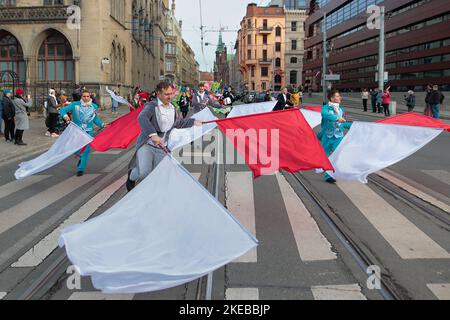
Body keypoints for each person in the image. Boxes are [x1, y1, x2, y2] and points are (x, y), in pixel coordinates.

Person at [126, 82, 203, 192]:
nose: (170, 97)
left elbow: (179, 123)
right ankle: (131, 175)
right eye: (167, 94)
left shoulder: (173, 108)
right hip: (147, 144)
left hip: (162, 147)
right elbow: (142, 118)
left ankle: (153, 198)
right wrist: (153, 134)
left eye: (171, 94)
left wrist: (194, 122)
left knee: (159, 174)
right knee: (144, 172)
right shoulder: (152, 106)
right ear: (158, 94)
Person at [60, 89, 106, 177]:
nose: (86, 98)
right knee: (74, 148)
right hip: (77, 131)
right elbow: (62, 111)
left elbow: (95, 119)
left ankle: (80, 169)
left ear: (90, 97)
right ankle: (79, 155)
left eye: (87, 96)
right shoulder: (74, 105)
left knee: (86, 150)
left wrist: (102, 124)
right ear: (81, 97)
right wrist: (66, 117)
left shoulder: (94, 106)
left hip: (88, 132)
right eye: (84, 96)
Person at [318, 89, 352, 183]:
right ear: (332, 98)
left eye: (339, 96)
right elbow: (324, 115)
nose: (339, 97)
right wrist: (337, 118)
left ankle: (331, 174)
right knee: (326, 156)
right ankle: (328, 175)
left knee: (338, 154)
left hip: (338, 136)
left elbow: (343, 123)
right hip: (327, 136)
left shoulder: (341, 110)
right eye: (337, 96)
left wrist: (355, 126)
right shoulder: (326, 108)